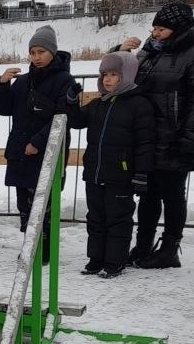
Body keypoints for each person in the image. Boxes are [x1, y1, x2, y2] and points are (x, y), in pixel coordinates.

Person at [113, 3, 194, 269]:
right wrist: (121, 53)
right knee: (147, 195)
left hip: (175, 137)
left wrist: (188, 139)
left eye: (161, 29)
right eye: (154, 28)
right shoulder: (149, 52)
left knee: (173, 195)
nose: (155, 33)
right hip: (147, 136)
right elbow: (119, 78)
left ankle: (170, 248)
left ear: (178, 30)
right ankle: (142, 245)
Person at [65, 51, 155, 278]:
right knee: (95, 218)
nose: (107, 79)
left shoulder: (139, 105)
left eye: (114, 74)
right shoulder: (98, 104)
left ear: (126, 76)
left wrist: (141, 174)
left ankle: (115, 261)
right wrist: (71, 101)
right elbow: (76, 121)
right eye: (105, 74)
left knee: (118, 220)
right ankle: (96, 259)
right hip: (95, 173)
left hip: (121, 176)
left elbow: (145, 143)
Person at [0, 25, 76, 255]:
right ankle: (31, 245)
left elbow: (62, 117)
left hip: (46, 152)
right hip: (20, 151)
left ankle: (44, 247)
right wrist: (2, 85)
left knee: (43, 202)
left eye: (42, 52)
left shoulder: (65, 81)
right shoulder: (23, 81)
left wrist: (37, 142)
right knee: (24, 204)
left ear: (53, 53)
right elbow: (4, 108)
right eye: (33, 52)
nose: (36, 57)